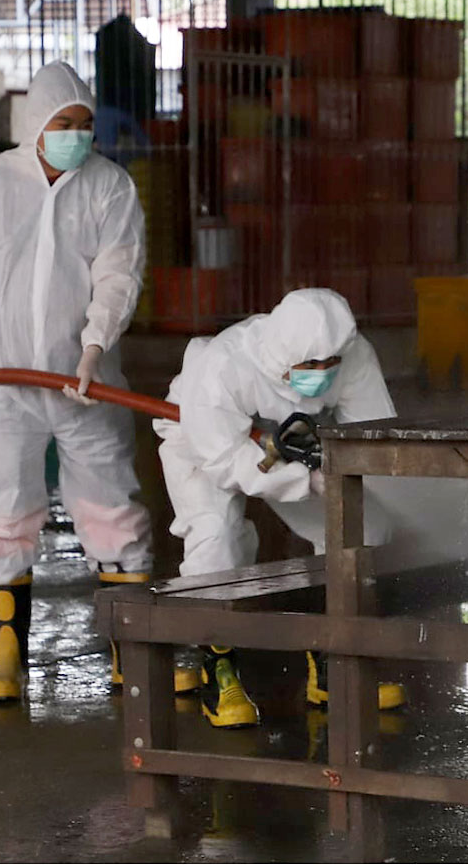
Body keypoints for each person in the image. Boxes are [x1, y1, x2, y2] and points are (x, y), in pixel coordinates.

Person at [0, 61, 154, 704]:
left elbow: (119, 276)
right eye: (63, 124)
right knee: (4, 512)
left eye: (85, 125)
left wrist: (95, 344)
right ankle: (8, 662)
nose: (76, 135)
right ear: (36, 127)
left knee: (112, 512)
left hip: (88, 384)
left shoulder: (109, 187)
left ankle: (125, 653)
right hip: (8, 388)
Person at [153, 288, 405, 728]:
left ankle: (334, 656)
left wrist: (347, 474)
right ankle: (219, 667)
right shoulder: (225, 366)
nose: (324, 374)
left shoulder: (351, 353)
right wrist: (304, 478)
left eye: (331, 364)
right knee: (215, 537)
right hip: (201, 440)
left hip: (295, 446)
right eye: (311, 367)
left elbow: (374, 432)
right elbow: (223, 459)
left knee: (358, 525)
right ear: (282, 358)